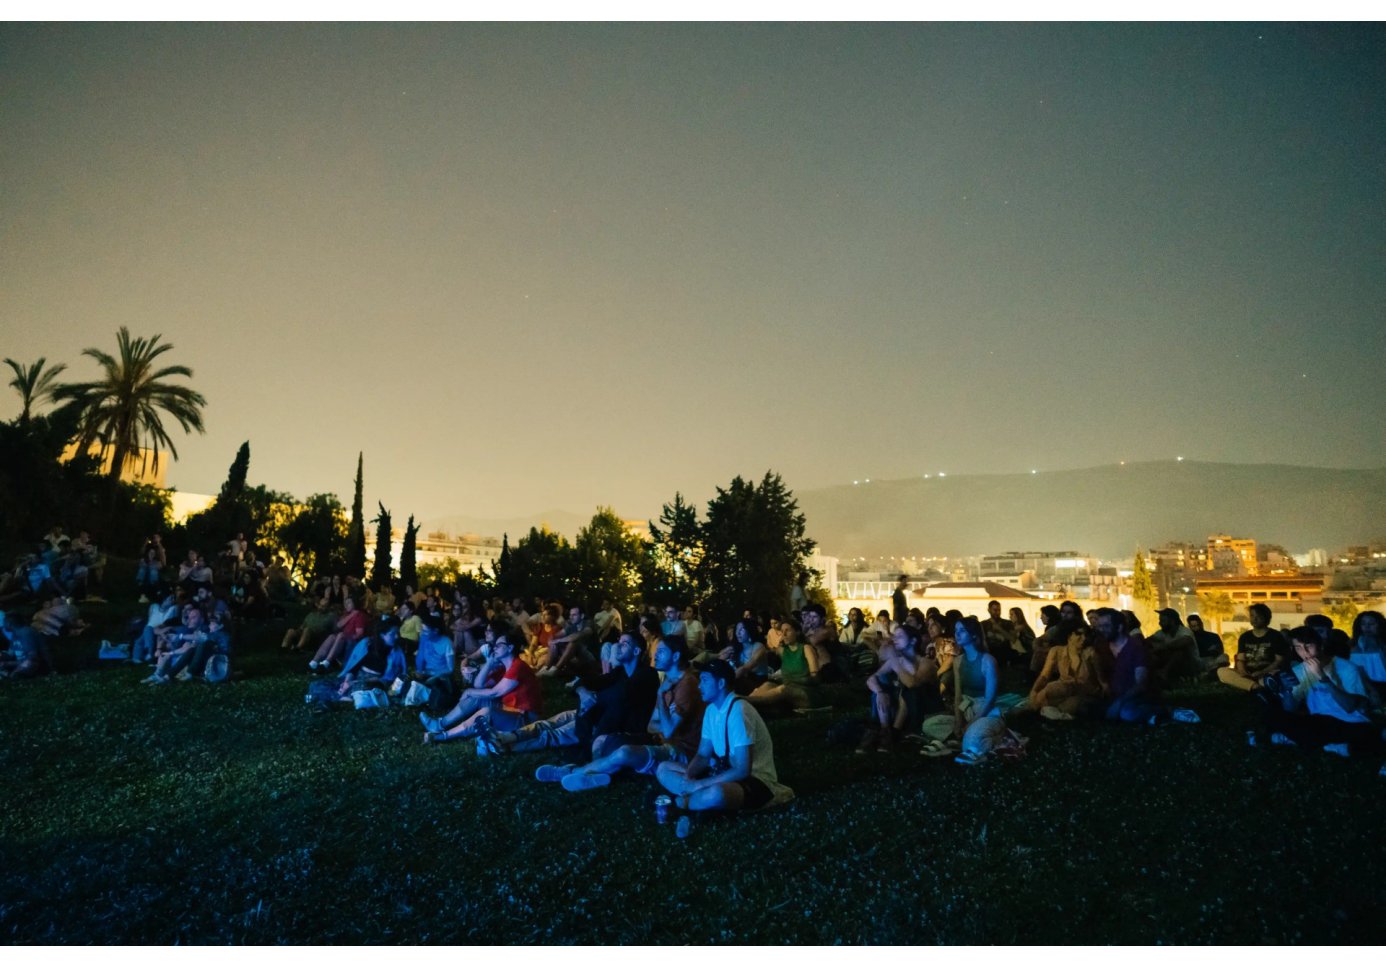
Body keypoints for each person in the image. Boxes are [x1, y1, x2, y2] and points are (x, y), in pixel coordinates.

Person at [655, 658, 793, 836]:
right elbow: (703, 755)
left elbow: (743, 770)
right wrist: (690, 776)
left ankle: (682, 805)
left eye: (704, 680)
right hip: (721, 772)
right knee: (663, 768)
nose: (699, 686)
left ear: (720, 683)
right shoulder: (712, 710)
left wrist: (699, 784)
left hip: (755, 781)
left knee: (717, 794)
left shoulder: (738, 711)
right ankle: (699, 804)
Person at [553, 633, 707, 792]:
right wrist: (582, 691)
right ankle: (593, 774)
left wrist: (660, 697)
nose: (655, 655)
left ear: (675, 656)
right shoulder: (668, 682)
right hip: (657, 738)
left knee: (623, 752)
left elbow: (667, 731)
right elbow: (653, 722)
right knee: (601, 741)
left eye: (661, 652)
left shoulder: (685, 685)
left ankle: (575, 771)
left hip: (678, 749)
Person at [1254, 626, 1381, 757]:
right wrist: (1287, 690)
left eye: (1308, 645)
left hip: (1350, 722)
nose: (1305, 652)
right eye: (1298, 648)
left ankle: (1296, 740)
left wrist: (1323, 677)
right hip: (1319, 722)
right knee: (1273, 714)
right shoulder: (1300, 670)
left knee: (1369, 736)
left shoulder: (1346, 667)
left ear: (1320, 645)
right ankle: (1330, 746)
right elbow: (1290, 708)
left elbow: (1349, 707)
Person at [422, 630, 541, 743]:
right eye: (495, 645)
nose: (495, 647)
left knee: (486, 711)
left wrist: (469, 691)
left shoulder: (517, 666)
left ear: (510, 648)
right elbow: (478, 685)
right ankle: (439, 724)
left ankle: (442, 736)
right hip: (508, 709)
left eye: (499, 645)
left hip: (525, 718)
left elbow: (495, 693)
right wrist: (489, 664)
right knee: (477, 697)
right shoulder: (504, 668)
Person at [863, 623, 938, 752]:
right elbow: (871, 679)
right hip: (901, 709)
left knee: (908, 691)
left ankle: (893, 733)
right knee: (879, 686)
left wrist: (894, 661)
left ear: (913, 641)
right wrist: (880, 692)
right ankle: (884, 730)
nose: (894, 639)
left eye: (900, 636)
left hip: (921, 710)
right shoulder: (898, 660)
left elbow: (911, 684)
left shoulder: (925, 663)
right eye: (894, 636)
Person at [1028, 623, 1108, 720]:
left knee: (1072, 704)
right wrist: (1034, 690)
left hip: (1084, 692)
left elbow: (1101, 680)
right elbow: (1045, 675)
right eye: (1079, 634)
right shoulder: (1057, 651)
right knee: (1049, 690)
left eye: (1086, 635)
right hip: (1064, 689)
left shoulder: (1090, 653)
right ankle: (1041, 709)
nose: (1084, 638)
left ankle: (1043, 711)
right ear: (1069, 636)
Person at [1218, 603, 1291, 690]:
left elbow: (1278, 661)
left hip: (1267, 672)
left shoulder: (1275, 636)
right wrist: (1243, 673)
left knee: (1271, 677)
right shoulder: (1245, 636)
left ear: (1266, 617)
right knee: (1221, 671)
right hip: (1248, 673)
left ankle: (1253, 685)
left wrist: (1262, 672)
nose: (1254, 619)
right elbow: (1240, 659)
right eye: (1252, 616)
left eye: (1258, 616)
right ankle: (1255, 687)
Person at [1147, 608, 1201, 685]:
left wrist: (1161, 647)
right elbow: (1147, 641)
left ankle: (1164, 673)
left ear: (1172, 621)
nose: (1160, 623)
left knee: (1179, 651)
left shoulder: (1185, 631)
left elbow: (1184, 642)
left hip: (1191, 666)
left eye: (1163, 621)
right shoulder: (1162, 633)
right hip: (1174, 665)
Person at [982, 600, 1022, 666]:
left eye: (999, 610)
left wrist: (1000, 629)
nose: (997, 612)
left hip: (1005, 656)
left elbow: (1013, 639)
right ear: (989, 610)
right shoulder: (983, 624)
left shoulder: (1007, 623)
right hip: (990, 655)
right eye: (995, 610)